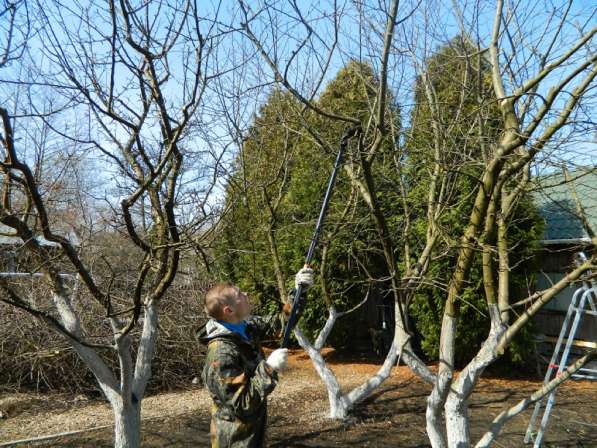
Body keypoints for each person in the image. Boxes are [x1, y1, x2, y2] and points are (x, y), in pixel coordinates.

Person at [197, 267, 314, 448]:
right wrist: (269, 368)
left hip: (252, 434)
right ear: (229, 310)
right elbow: (242, 404)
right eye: (239, 294)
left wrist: (299, 291)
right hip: (235, 440)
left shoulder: (244, 326)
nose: (245, 293)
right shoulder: (221, 353)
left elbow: (282, 322)